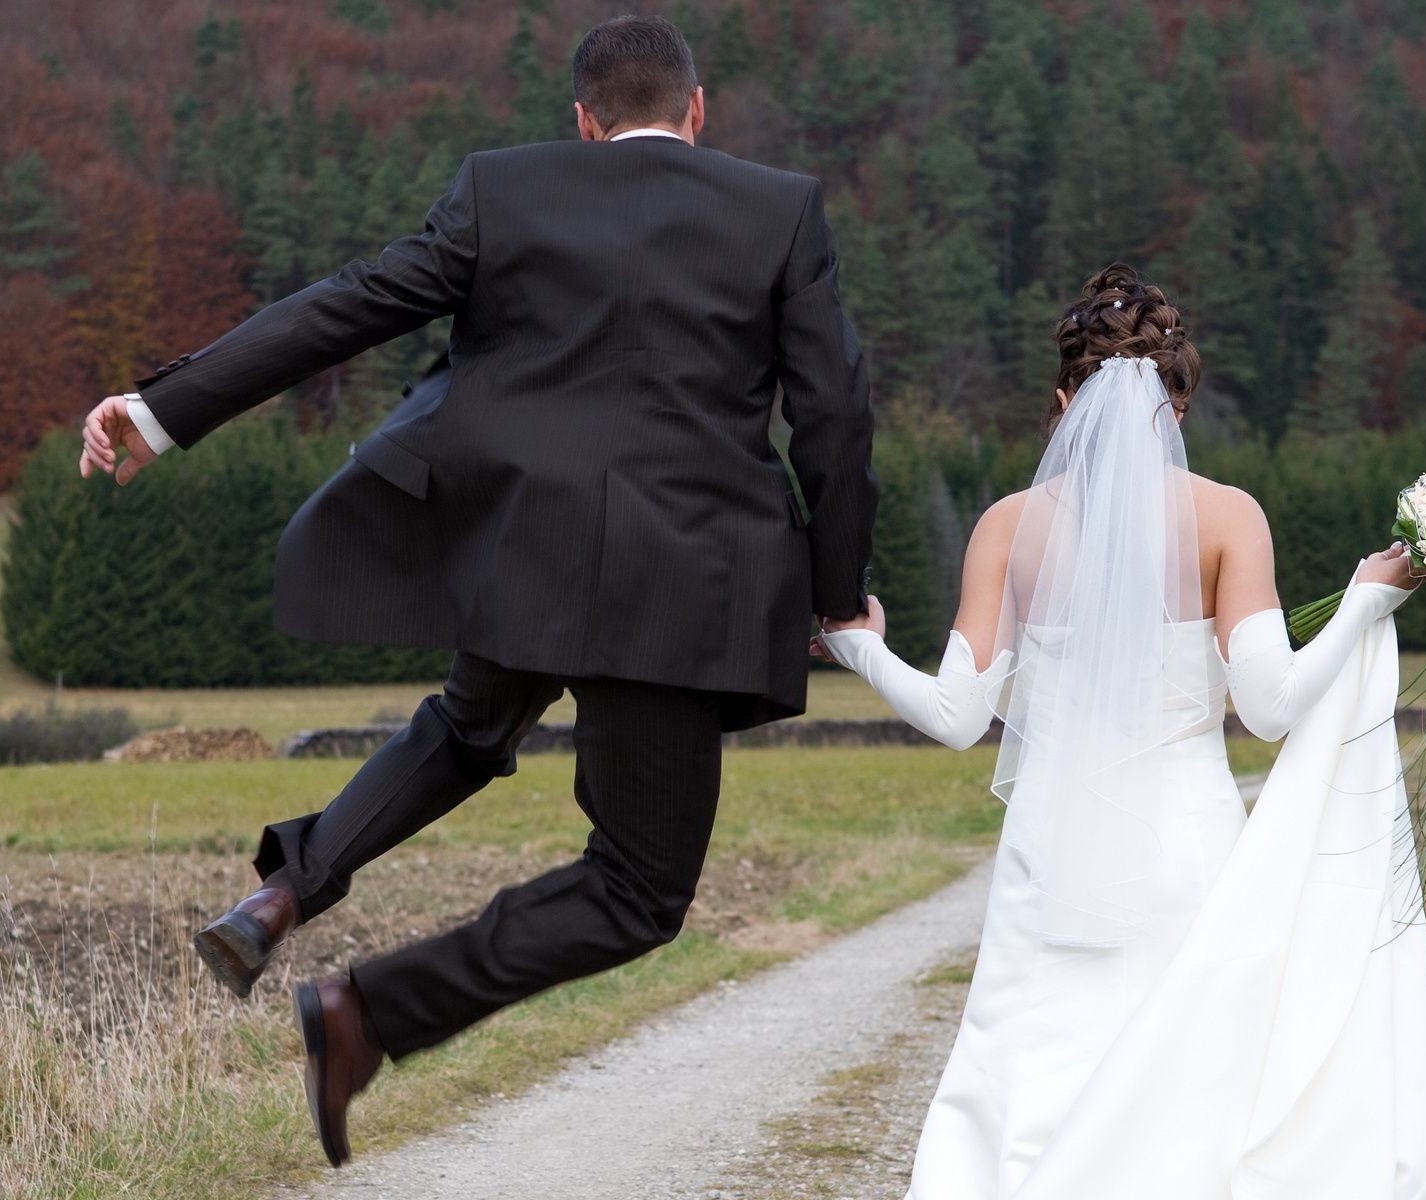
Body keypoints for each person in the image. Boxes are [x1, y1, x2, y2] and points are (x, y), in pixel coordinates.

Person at [76, 15, 875, 1168]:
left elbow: (346, 303)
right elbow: (836, 417)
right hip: (676, 588)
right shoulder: (778, 208)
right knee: (640, 891)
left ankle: (284, 894)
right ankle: (368, 1012)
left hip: (521, 558)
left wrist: (164, 411)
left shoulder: (502, 190)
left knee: (465, 723)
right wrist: (840, 594)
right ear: (697, 113)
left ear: (583, 120)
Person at [816, 265, 1426, 1198]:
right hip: (1186, 848)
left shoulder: (1007, 528)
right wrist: (1366, 600)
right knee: (1189, 1080)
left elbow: (958, 719)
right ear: (1178, 406)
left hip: (1050, 850)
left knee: (1030, 1067)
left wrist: (863, 650)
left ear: (1061, 404)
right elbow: (1273, 707)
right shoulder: (1227, 518)